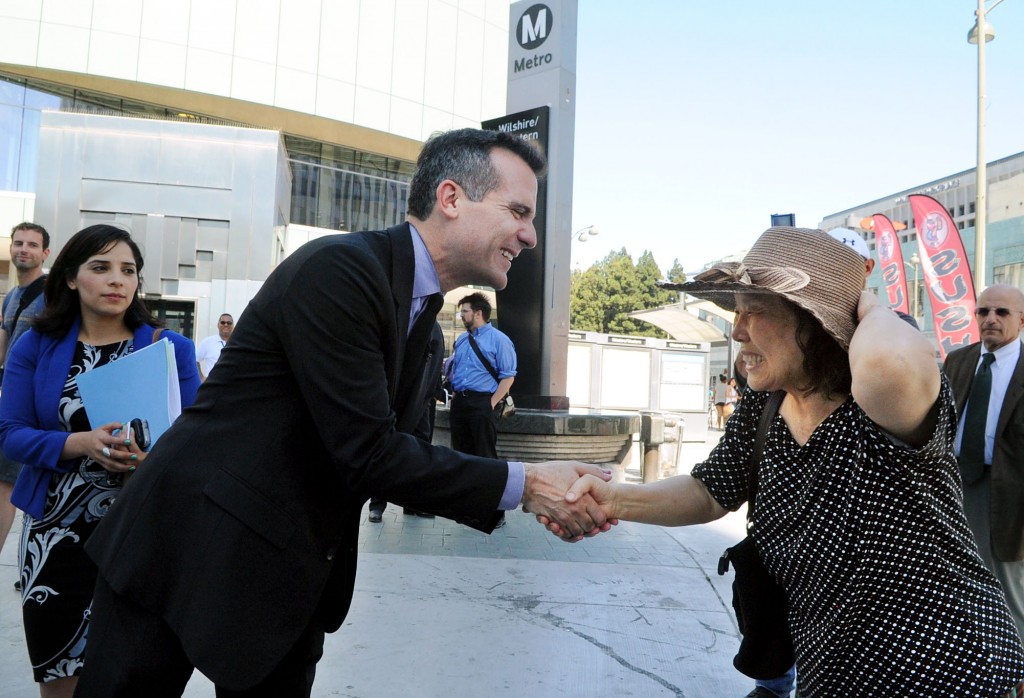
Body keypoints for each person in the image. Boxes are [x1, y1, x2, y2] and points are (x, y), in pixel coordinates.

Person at [74, 128, 613, 696]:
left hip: (285, 574)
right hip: (182, 548)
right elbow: (370, 454)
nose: (529, 236)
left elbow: (394, 455)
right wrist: (527, 484)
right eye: (519, 211)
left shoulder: (424, 320)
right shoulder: (340, 271)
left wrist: (528, 488)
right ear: (451, 199)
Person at [546, 227, 1024, 696]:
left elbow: (885, 360)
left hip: (948, 671)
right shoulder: (766, 402)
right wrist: (616, 499)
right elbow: (710, 490)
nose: (736, 329)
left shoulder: (882, 403)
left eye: (754, 310)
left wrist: (869, 306)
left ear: (814, 323)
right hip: (830, 674)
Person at [0, 224, 200, 697]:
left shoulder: (170, 349)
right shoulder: (37, 345)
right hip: (56, 539)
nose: (117, 280)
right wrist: (80, 444)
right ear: (71, 277)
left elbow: (198, 444)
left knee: (137, 675)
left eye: (128, 271)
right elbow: (10, 434)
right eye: (101, 268)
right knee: (60, 676)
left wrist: (148, 459)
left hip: (142, 537)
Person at [943, 283, 1024, 640]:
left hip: (1009, 495)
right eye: (983, 311)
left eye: (1001, 312)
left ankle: (1017, 674)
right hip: (955, 485)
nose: (990, 319)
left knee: (1009, 592)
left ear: (1022, 320)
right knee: (957, 582)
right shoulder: (958, 360)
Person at [0, 222, 51, 569]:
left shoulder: (55, 294)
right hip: (8, 396)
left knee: (6, 482)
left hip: (30, 403)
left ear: (45, 253)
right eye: (19, 243)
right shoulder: (12, 296)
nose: (24, 249)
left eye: (32, 245)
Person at [448, 291, 517, 528]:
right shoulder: (463, 339)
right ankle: (468, 508)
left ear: (478, 313)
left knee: (486, 457)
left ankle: (496, 513)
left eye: (464, 311)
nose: (461, 316)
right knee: (462, 456)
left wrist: (490, 404)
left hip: (482, 402)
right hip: (460, 403)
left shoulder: (499, 339)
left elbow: (508, 377)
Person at [367, 322, 444, 522]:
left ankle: (413, 504)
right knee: (388, 450)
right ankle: (377, 505)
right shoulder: (405, 322)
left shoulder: (434, 327)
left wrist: (434, 393)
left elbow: (435, 363)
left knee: (420, 452)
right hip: (400, 399)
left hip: (425, 402)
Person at [195, 312, 233, 380]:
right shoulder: (207, 342)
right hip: (212, 385)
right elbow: (195, 360)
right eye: (223, 322)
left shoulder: (237, 343)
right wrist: (201, 378)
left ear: (233, 326)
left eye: (229, 323)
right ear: (218, 325)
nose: (226, 325)